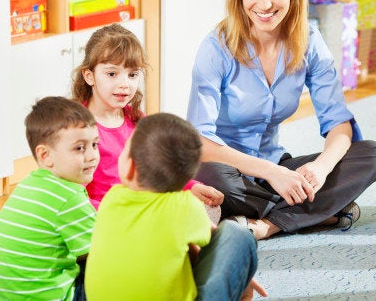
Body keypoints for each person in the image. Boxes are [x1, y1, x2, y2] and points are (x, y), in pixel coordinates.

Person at [186, 0, 376, 240]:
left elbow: (339, 121)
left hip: (275, 168)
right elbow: (199, 142)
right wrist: (272, 173)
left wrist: (320, 169)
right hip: (229, 171)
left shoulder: (310, 41)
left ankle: (266, 225)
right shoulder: (217, 47)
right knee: (210, 175)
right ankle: (320, 212)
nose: (264, 4)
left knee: (372, 155)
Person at [84, 113, 266, 300]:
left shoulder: (112, 198)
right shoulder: (184, 206)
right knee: (239, 235)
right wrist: (240, 273)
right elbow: (216, 243)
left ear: (130, 166)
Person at [71, 23, 223, 223]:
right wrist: (124, 211)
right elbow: (74, 198)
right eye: (112, 74)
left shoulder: (136, 119)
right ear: (89, 76)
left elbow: (159, 168)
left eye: (132, 74)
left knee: (204, 209)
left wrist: (190, 186)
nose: (124, 84)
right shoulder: (76, 129)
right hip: (104, 216)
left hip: (141, 205)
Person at [0, 96, 98, 300]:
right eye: (80, 148)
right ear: (46, 155)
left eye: (95, 144)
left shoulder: (29, 183)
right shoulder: (68, 197)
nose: (92, 155)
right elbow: (102, 252)